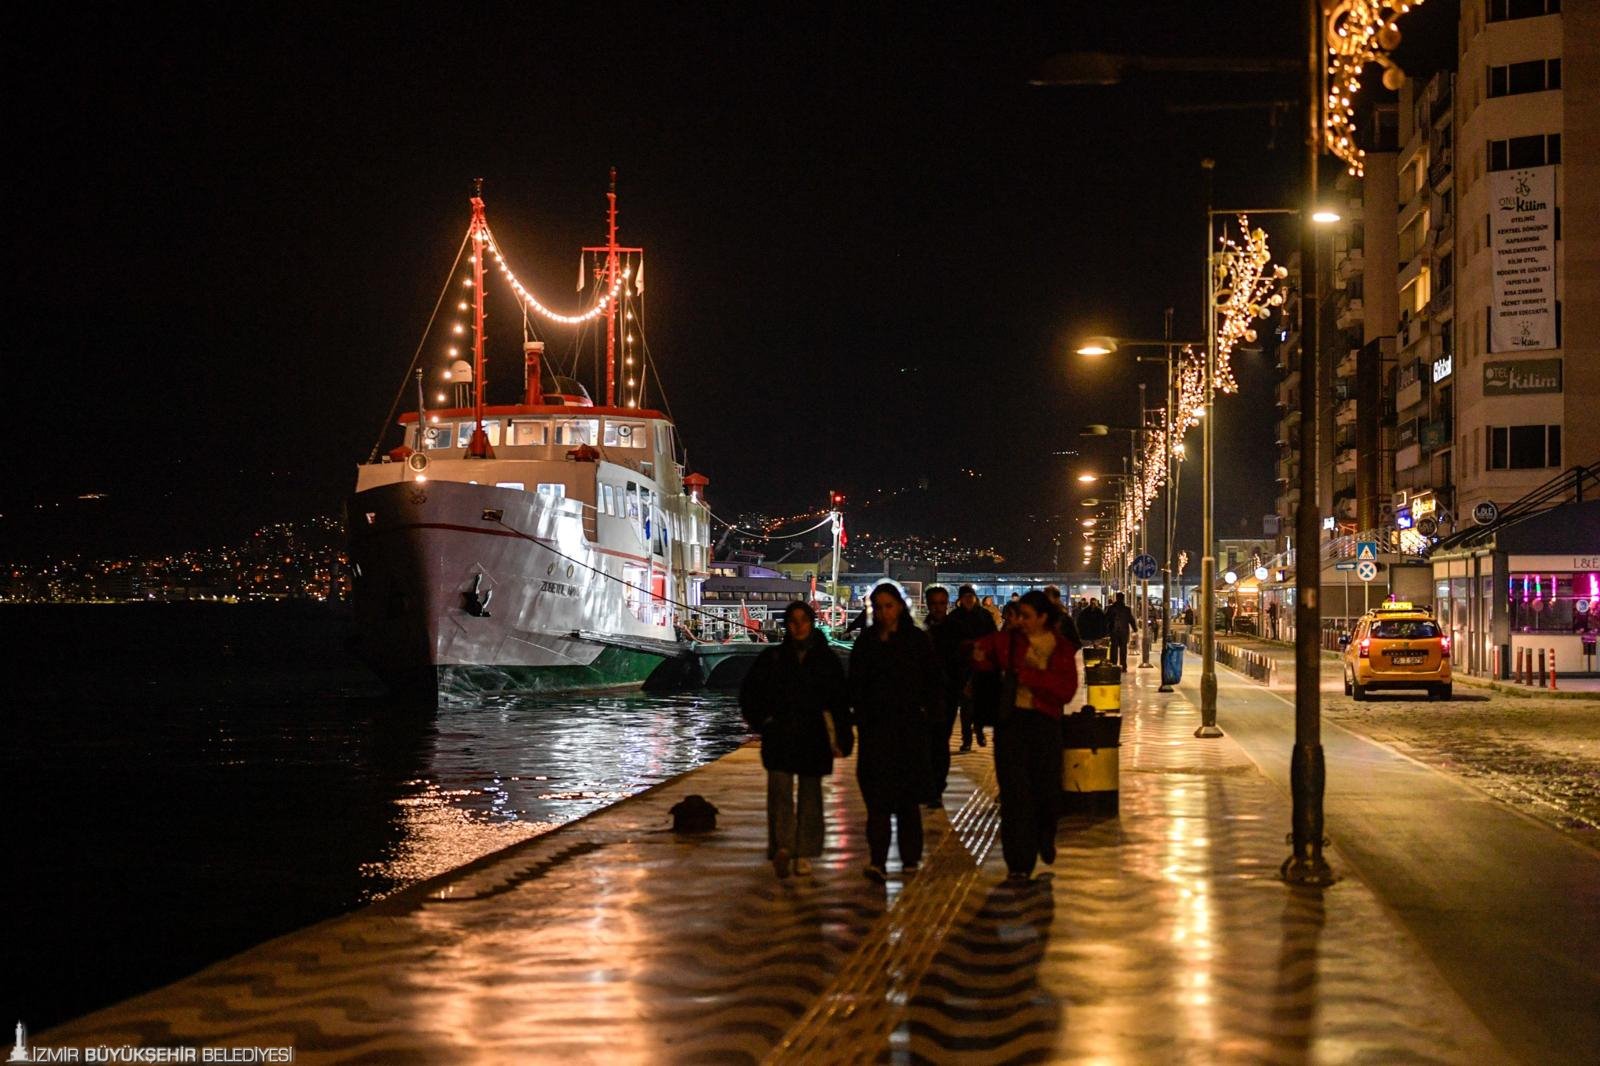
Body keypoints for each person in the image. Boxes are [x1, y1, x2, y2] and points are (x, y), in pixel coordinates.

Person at [972, 590, 1079, 882]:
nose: (1020, 621)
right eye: (1018, 615)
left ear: (1043, 618)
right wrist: (978, 657)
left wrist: (1030, 676)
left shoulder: (1060, 647)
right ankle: (1018, 862)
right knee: (1015, 795)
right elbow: (980, 652)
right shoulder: (1009, 640)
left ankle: (1046, 834)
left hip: (1045, 724)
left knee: (1045, 791)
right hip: (1012, 724)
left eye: (1026, 616)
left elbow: (1066, 690)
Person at [739, 601, 851, 879]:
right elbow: (750, 694)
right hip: (781, 734)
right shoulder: (772, 658)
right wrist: (763, 722)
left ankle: (804, 852)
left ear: (812, 623)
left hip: (813, 734)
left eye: (803, 620)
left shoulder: (827, 660)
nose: (798, 626)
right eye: (793, 621)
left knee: (811, 795)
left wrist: (843, 736)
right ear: (787, 625)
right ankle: (784, 847)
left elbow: (839, 701)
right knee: (780, 792)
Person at [849, 583, 945, 882]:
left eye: (888, 606)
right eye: (877, 607)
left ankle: (910, 858)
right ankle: (877, 859)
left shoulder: (916, 641)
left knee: (907, 800)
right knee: (877, 800)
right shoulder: (866, 642)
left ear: (900, 607)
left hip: (908, 730)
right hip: (876, 731)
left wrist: (931, 719)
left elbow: (932, 683)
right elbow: (855, 685)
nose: (882, 612)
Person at [927, 585, 997, 766]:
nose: (968, 600)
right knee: (963, 709)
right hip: (950, 678)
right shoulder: (950, 620)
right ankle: (966, 739)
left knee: (973, 705)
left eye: (970, 596)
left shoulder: (982, 617)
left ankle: (978, 730)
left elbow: (991, 639)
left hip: (973, 670)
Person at [1106, 592, 1137, 669]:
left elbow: (1106, 620)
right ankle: (1123, 666)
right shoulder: (1127, 609)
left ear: (1116, 598)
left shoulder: (1111, 608)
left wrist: (1105, 631)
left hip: (1113, 631)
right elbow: (1131, 619)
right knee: (1123, 649)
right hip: (1124, 632)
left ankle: (1113, 665)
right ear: (1123, 598)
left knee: (1114, 648)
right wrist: (1135, 628)